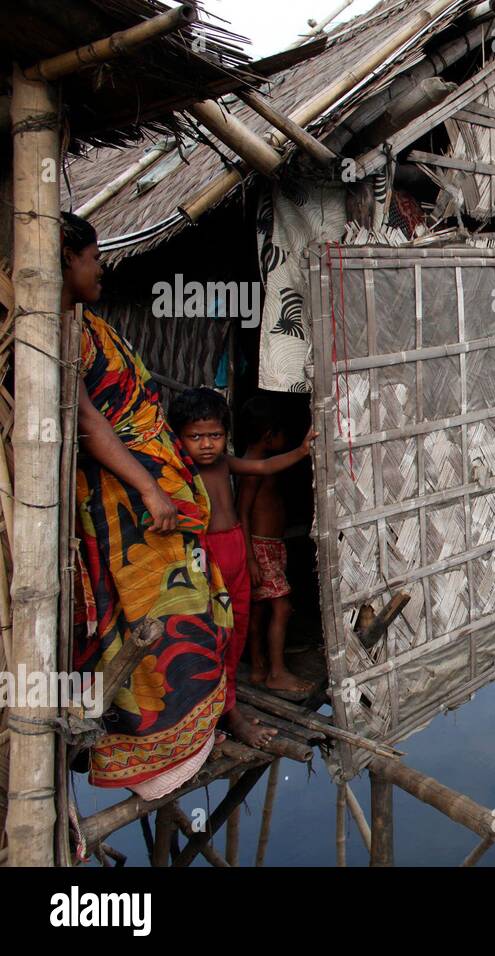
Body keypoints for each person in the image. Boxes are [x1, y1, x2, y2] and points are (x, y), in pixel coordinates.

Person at [64, 212, 230, 798]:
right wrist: (150, 487)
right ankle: (151, 750)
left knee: (183, 612)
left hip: (145, 501)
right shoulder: (60, 335)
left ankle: (190, 734)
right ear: (65, 262)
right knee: (150, 619)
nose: (100, 267)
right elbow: (89, 426)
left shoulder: (81, 324)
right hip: (126, 508)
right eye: (91, 258)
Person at [168, 387, 317, 742]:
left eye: (215, 436)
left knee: (236, 628)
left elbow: (263, 465)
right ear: (179, 439)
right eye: (196, 437)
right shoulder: (178, 472)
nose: (207, 444)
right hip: (207, 555)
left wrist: (301, 451)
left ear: (226, 436)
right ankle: (214, 714)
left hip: (234, 545)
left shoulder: (224, 462)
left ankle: (227, 706)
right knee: (210, 634)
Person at [238, 395, 316, 699]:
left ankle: (258, 666)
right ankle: (276, 673)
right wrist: (251, 558)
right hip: (260, 548)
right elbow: (242, 512)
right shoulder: (251, 469)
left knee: (259, 609)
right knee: (282, 607)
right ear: (270, 435)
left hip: (266, 546)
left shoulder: (254, 462)